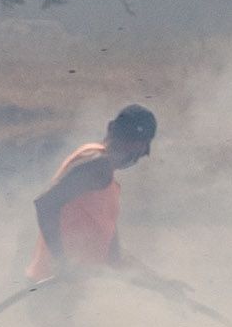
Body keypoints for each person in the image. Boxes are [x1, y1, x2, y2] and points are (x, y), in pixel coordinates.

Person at [30, 104, 158, 284]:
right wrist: (62, 263)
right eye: (135, 143)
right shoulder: (97, 164)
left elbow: (114, 257)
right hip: (53, 285)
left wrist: (160, 284)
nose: (139, 153)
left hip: (69, 289)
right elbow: (46, 204)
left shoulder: (106, 184)